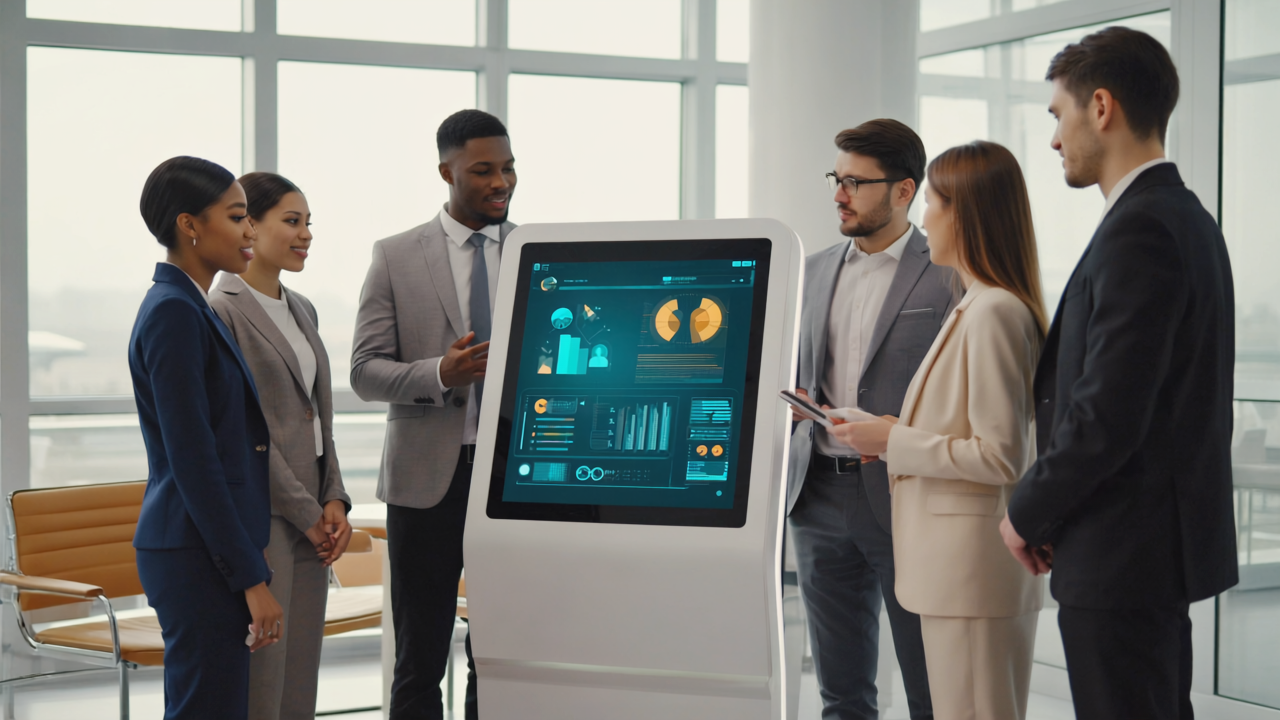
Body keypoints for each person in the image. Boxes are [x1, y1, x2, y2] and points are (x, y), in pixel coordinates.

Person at [1000, 27, 1238, 719]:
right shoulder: (1184, 218)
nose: (1052, 140)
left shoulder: (1142, 229)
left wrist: (1026, 511)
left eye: (1057, 116)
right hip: (1145, 553)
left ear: (1100, 107)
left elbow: (1108, 412)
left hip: (1123, 555)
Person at [833, 141, 1047, 720]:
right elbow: (969, 429)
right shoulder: (974, 303)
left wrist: (892, 442)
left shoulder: (996, 311)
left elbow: (1000, 456)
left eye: (933, 204)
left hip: (972, 573)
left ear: (966, 216)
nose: (924, 220)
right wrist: (894, 428)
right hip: (957, 573)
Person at [350, 108, 516, 720]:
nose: (500, 182)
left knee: (499, 649)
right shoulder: (396, 256)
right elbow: (365, 370)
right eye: (482, 170)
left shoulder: (538, 252)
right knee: (420, 655)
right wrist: (440, 374)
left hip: (517, 477)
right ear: (445, 171)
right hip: (427, 484)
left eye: (508, 167)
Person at [787, 118, 955, 720]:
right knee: (840, 692)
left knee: (931, 689)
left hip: (906, 495)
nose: (839, 193)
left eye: (855, 182)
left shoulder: (948, 272)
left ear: (904, 191)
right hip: (817, 500)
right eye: (838, 178)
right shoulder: (810, 270)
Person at [130, 156, 283, 720]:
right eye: (238, 216)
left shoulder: (192, 305)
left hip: (203, 548)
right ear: (190, 225)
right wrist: (250, 577)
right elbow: (195, 461)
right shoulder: (174, 312)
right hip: (193, 553)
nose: (250, 231)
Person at [209, 171, 354, 720]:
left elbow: (319, 416)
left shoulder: (303, 308)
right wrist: (307, 511)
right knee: (263, 681)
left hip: (316, 512)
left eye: (308, 223)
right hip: (265, 516)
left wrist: (335, 498)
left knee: (300, 677)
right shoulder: (222, 310)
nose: (306, 235)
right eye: (291, 222)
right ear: (250, 223)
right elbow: (245, 436)